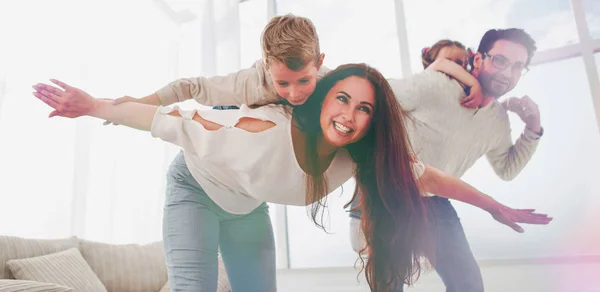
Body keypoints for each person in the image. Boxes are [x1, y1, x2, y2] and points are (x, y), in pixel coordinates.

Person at [33, 63, 551, 292]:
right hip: (196, 188)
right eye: (342, 98)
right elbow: (165, 118)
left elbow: (433, 179)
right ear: (324, 97)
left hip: (246, 208)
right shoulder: (259, 130)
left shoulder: (358, 156)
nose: (349, 115)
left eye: (365, 109)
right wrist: (93, 105)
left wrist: (497, 206)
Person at [349, 29, 544, 292]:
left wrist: (533, 128)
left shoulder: (498, 121)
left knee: (468, 285)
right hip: (385, 193)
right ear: (477, 59)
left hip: (434, 203)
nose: (507, 72)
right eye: (500, 60)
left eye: (518, 66)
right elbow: (376, 98)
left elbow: (507, 169)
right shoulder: (437, 85)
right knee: (387, 286)